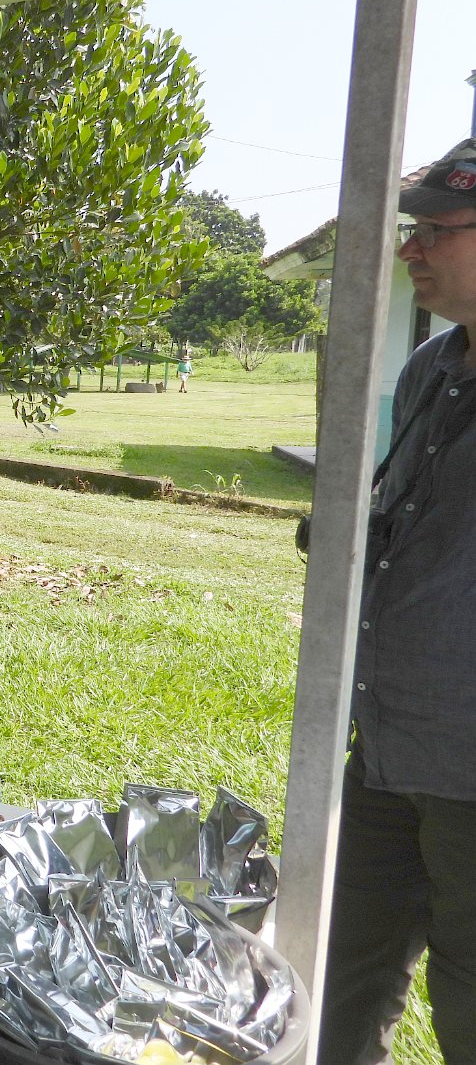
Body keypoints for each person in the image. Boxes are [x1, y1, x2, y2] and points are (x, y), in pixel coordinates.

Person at [319, 137, 476, 1065]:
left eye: (437, 230)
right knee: (344, 976)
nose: (411, 248)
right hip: (383, 746)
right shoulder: (428, 370)